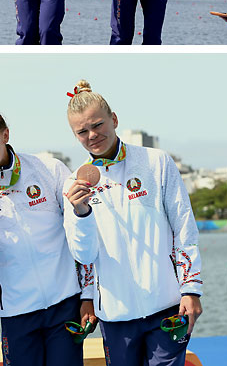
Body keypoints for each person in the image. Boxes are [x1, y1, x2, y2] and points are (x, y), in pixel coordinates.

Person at [63, 80, 202, 366]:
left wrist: (191, 288)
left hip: (167, 307)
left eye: (98, 125)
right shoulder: (72, 185)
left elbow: (184, 228)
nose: (92, 135)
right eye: (82, 131)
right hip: (115, 315)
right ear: (75, 136)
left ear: (113, 119)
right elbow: (84, 257)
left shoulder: (155, 162)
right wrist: (81, 213)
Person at [0, 105, 96, 366]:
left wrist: (87, 295)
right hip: (17, 314)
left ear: (5, 135)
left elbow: (83, 243)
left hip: (64, 305)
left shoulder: (49, 169)